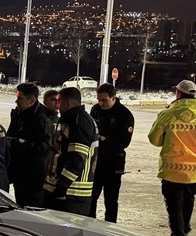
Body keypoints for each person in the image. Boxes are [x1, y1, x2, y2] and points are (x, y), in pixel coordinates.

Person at [148, 80, 196, 236]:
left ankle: (178, 235)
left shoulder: (168, 114)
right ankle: (184, 227)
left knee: (173, 202)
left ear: (178, 93)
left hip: (172, 169)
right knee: (189, 199)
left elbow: (154, 139)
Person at [42, 87, 99, 215]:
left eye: (59, 102)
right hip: (67, 193)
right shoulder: (73, 119)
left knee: (63, 234)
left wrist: (61, 187)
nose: (57, 106)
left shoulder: (79, 122)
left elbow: (77, 158)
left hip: (72, 195)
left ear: (68, 104)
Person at [89, 83, 135, 222]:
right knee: (91, 197)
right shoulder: (95, 110)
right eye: (99, 99)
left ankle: (110, 228)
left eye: (104, 100)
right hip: (96, 161)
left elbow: (123, 142)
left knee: (111, 200)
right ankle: (89, 225)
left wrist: (103, 138)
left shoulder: (124, 115)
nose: (101, 103)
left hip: (113, 162)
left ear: (113, 97)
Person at [7, 82, 56, 206]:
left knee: (32, 208)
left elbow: (44, 148)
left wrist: (18, 143)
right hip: (20, 173)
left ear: (31, 101)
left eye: (20, 98)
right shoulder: (20, 114)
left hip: (34, 177)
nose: (16, 101)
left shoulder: (42, 120)